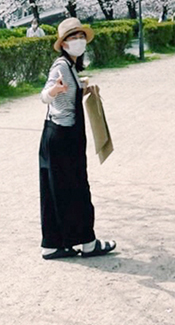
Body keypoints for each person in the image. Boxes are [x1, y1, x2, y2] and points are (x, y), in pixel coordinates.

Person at [39, 17, 116, 260]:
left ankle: (53, 244)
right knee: (76, 189)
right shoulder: (60, 67)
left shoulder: (70, 66)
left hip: (60, 134)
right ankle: (87, 243)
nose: (79, 41)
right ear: (63, 44)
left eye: (81, 36)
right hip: (63, 136)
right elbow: (45, 95)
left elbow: (67, 92)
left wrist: (81, 89)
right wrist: (54, 90)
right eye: (73, 38)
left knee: (58, 190)